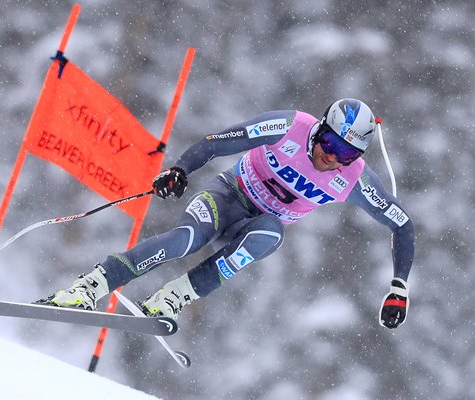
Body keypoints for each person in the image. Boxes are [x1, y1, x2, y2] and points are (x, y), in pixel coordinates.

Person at [36, 98, 415, 329]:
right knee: (186, 240)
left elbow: (402, 224)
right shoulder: (289, 126)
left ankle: (173, 296)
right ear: (319, 129)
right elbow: (219, 140)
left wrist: (399, 287)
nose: (332, 156)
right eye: (330, 142)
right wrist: (179, 169)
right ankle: (89, 286)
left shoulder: (354, 180)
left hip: (256, 224)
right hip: (228, 195)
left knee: (270, 235)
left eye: (346, 153)